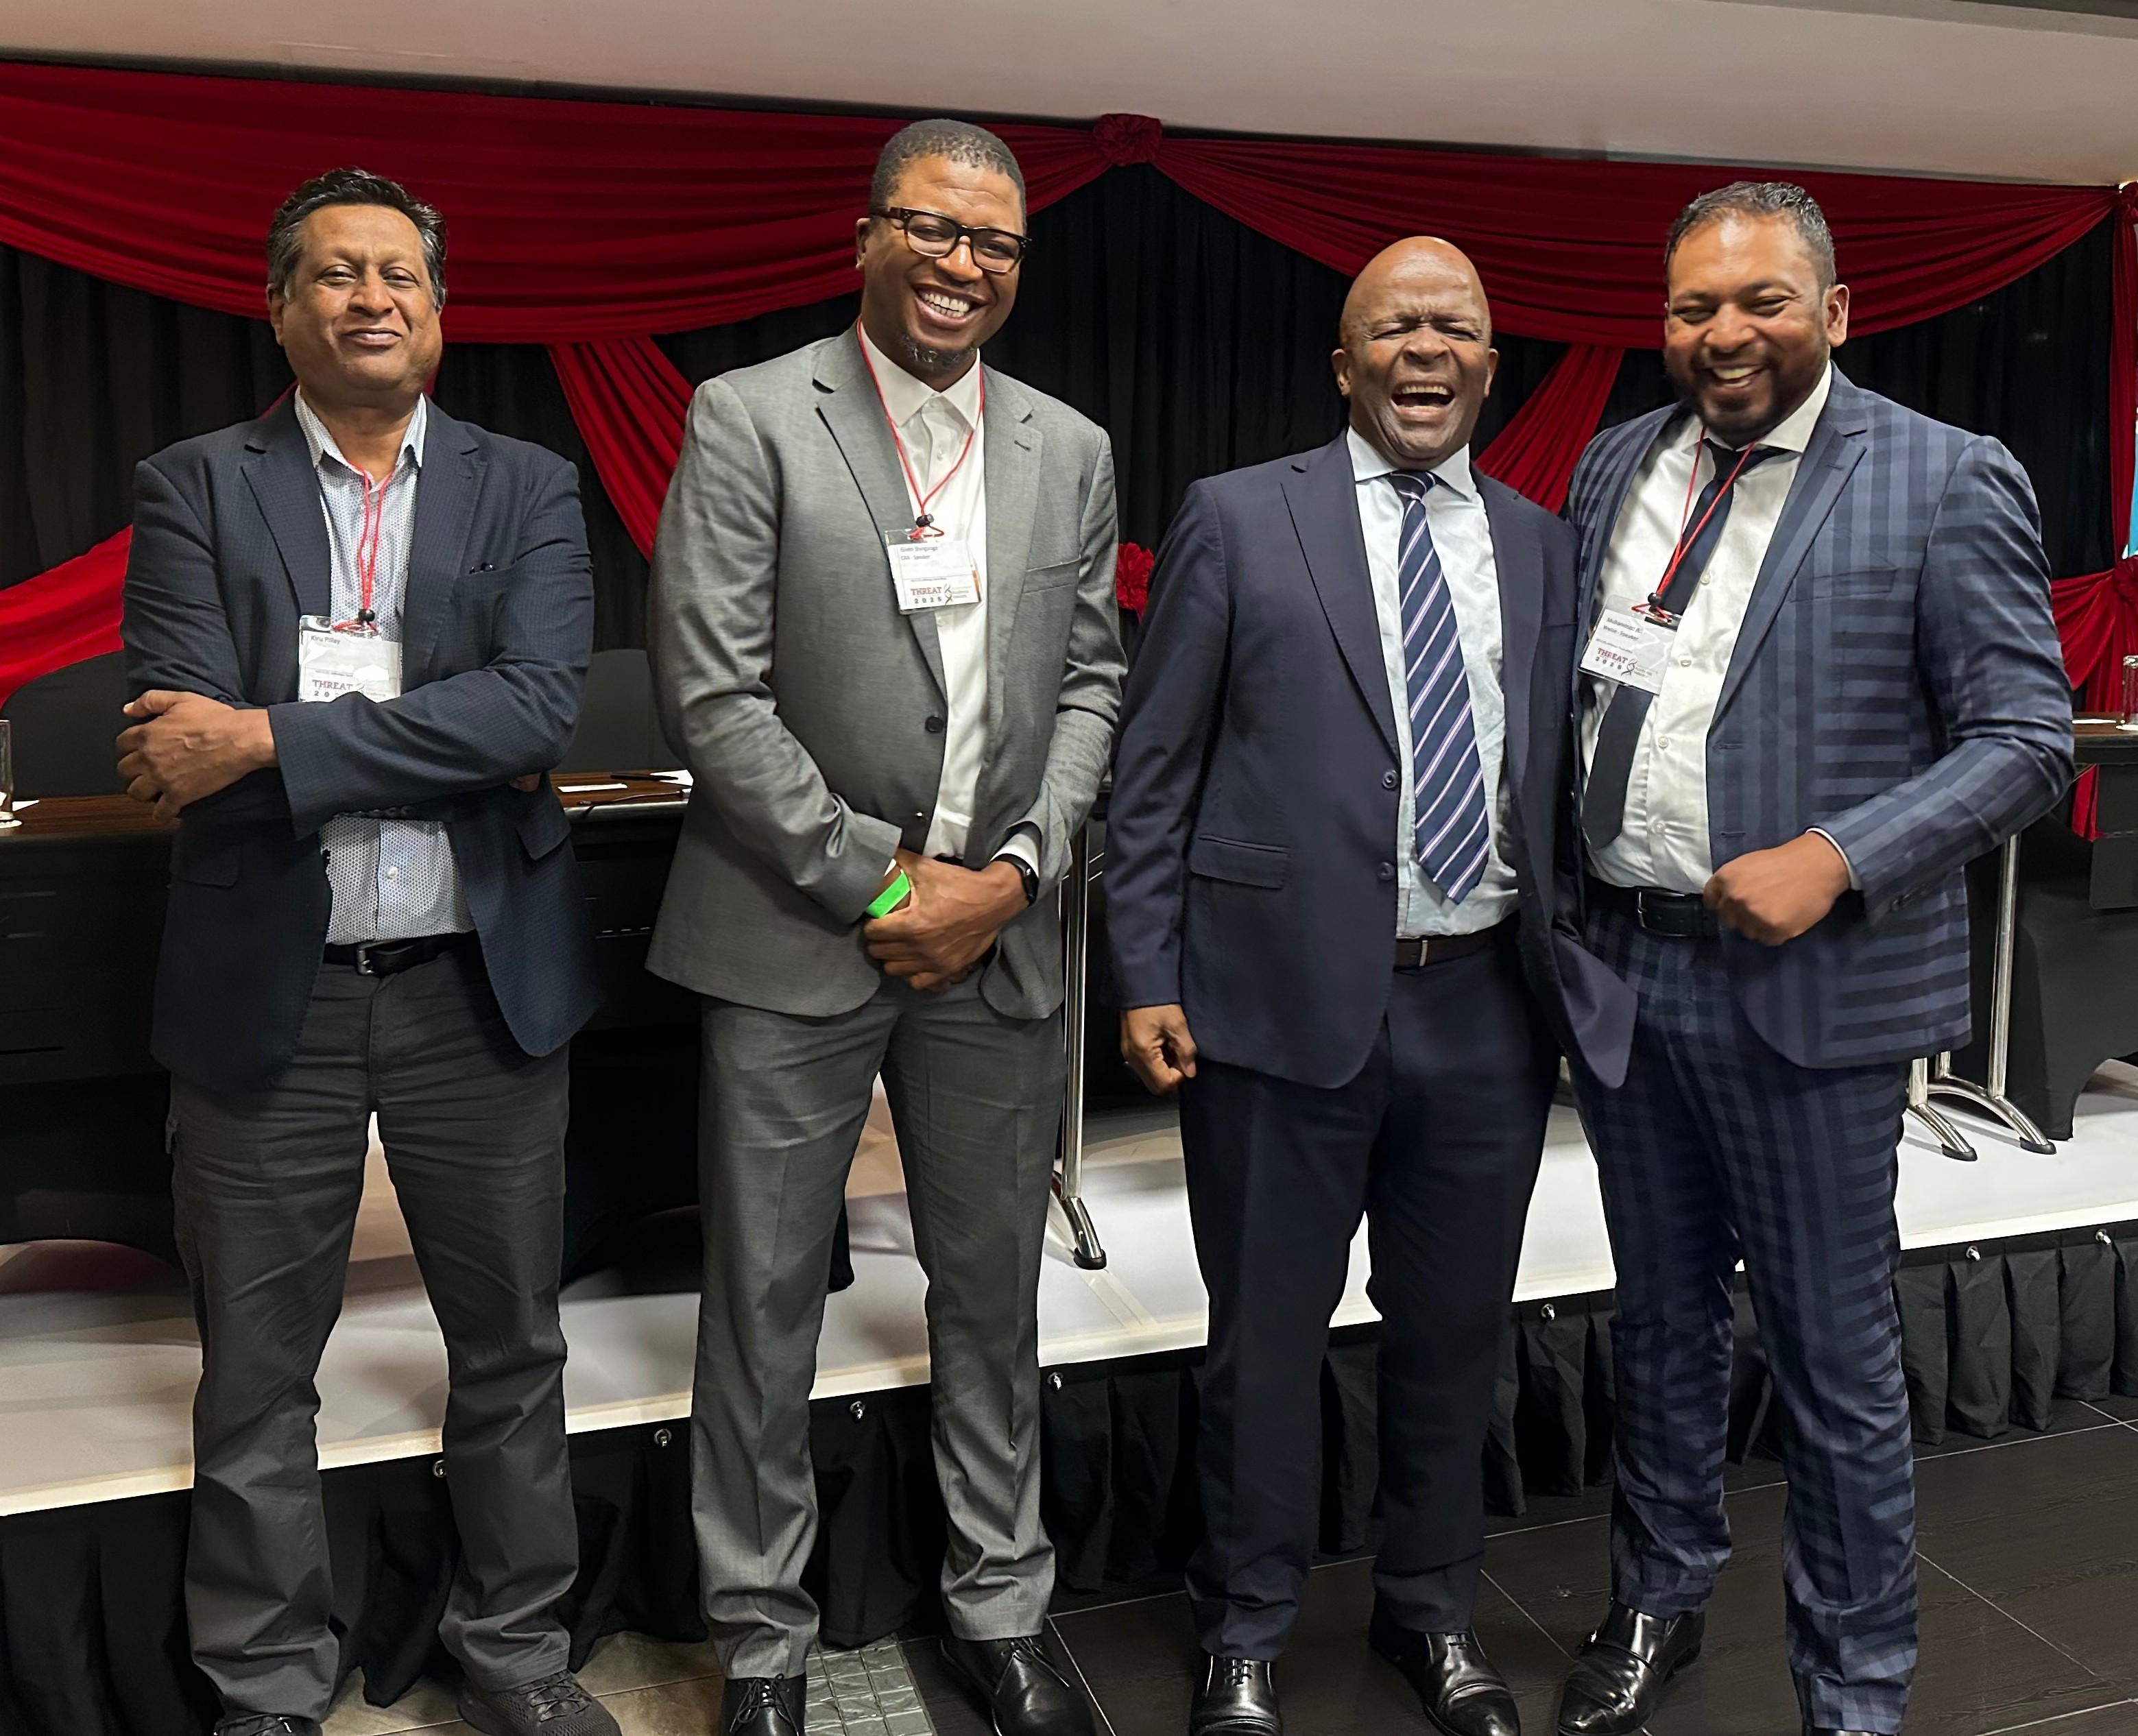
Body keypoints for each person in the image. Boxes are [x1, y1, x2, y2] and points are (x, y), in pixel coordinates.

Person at [1553, 182, 2074, 1736]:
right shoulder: (1614, 465)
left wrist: (1837, 857)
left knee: (1828, 1357)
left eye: (1761, 300)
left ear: (1834, 312)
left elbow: (2025, 740)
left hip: (1807, 999)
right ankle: (1655, 1599)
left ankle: (1852, 1690)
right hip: (1627, 973)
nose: (1724, 333)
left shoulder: (1942, 474)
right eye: (1693, 307)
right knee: (1657, 1321)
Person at [1107, 237, 1635, 1736]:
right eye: (1394, 327)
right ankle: (1245, 1628)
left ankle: (1432, 1613)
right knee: (1263, 1342)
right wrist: (1142, 967)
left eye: (1453, 327)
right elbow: (1153, 768)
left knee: (1454, 1336)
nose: (1424, 349)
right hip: (1270, 1007)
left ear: (1489, 365)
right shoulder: (1236, 517)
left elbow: (1553, 777)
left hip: (1482, 1007)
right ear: (1343, 365)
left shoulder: (1539, 544)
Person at [116, 169, 615, 1736]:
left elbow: (538, 709)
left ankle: (516, 1653)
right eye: (335, 273)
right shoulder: (192, 488)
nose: (371, 297)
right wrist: (433, 736)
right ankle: (267, 1681)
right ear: (281, 309)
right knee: (258, 1368)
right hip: (275, 991)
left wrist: (271, 737)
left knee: (511, 1345)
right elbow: (174, 743)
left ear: (440, 310)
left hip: (478, 987)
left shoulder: (526, 487)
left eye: (400, 273)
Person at [646, 118, 1123, 1736]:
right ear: (864, 236)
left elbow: (1090, 683)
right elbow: (711, 695)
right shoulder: (748, 417)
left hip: (997, 934)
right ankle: (761, 1643)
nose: (959, 263)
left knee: (991, 1294)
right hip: (793, 931)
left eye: (992, 242)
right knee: (763, 1297)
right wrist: (881, 881)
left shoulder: (1068, 446)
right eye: (930, 227)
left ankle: (1001, 1604)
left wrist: (1018, 871)